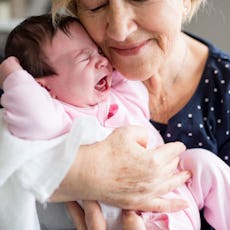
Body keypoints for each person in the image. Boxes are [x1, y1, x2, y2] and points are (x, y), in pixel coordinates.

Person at [1, 14, 230, 230]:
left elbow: (124, 72)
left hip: (178, 188)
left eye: (99, 51)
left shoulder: (122, 97)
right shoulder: (59, 117)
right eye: (84, 57)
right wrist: (11, 72)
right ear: (43, 86)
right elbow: (32, 113)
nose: (101, 61)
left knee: (203, 163)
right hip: (141, 217)